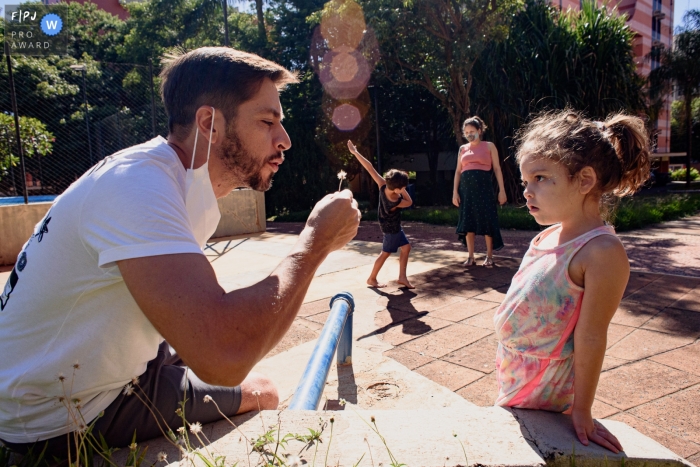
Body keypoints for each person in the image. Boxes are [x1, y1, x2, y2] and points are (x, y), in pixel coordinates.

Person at [0, 47, 361, 458]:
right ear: (209, 123)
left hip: (60, 372)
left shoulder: (169, 180)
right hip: (57, 415)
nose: (285, 140)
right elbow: (223, 354)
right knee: (263, 389)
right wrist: (314, 242)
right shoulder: (138, 188)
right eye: (267, 122)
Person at [494, 110, 651, 453]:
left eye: (540, 178)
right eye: (525, 181)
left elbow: (592, 335)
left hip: (546, 390)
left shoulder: (600, 252)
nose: (527, 192)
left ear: (584, 181)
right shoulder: (550, 235)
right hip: (516, 375)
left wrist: (582, 410)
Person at [347, 140, 414, 289]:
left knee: (406, 247)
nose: (404, 188)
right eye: (403, 187)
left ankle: (402, 277)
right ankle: (372, 278)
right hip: (391, 230)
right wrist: (402, 190)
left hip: (390, 226)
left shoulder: (383, 184)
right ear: (397, 189)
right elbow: (409, 202)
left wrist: (355, 152)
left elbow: (369, 167)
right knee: (385, 253)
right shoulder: (395, 200)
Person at [452, 116, 507, 267]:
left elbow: (496, 169)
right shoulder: (462, 149)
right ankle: (471, 257)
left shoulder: (489, 146)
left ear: (480, 131)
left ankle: (489, 257)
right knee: (468, 222)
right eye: (466, 132)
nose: (469, 134)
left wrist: (502, 190)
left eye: (472, 131)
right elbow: (458, 171)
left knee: (487, 220)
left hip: (484, 189)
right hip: (466, 191)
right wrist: (455, 192)